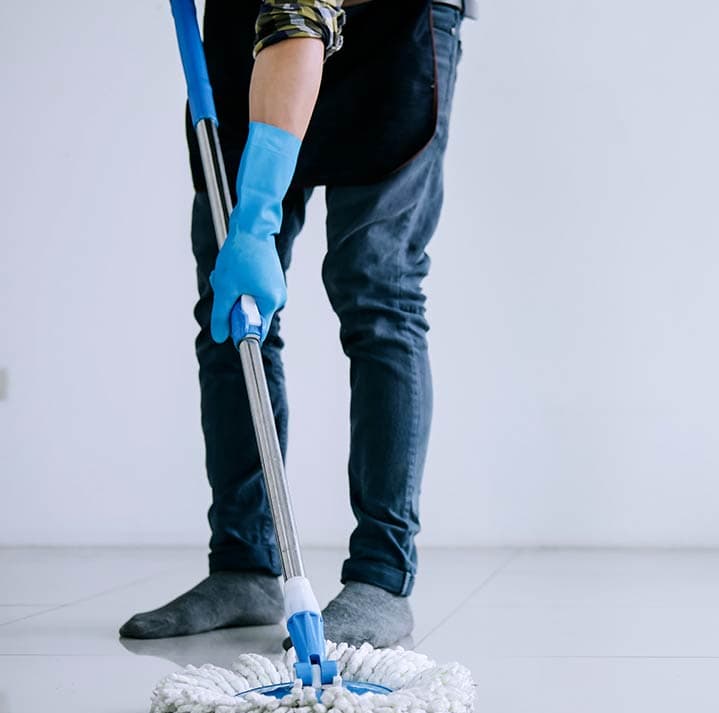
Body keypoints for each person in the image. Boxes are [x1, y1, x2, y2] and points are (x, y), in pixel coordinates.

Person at [120, 0, 473, 646]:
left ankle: (381, 576)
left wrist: (256, 214)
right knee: (231, 306)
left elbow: (299, 15)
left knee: (378, 286)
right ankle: (244, 564)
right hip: (250, 31)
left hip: (394, 35)